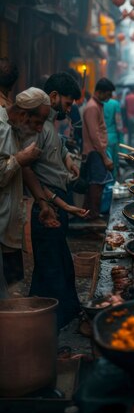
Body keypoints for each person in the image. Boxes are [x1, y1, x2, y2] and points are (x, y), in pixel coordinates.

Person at [22, 73, 84, 330]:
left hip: (56, 201)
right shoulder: (37, 123)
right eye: (68, 104)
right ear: (54, 97)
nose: (69, 110)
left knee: (56, 266)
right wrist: (54, 203)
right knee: (52, 268)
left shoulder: (49, 124)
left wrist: (67, 159)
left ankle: (51, 322)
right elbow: (28, 169)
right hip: (46, 205)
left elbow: (56, 145)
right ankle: (46, 328)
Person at [0, 88, 50, 298]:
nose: (39, 130)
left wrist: (44, 202)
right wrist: (19, 159)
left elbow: (24, 171)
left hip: (9, 226)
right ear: (22, 115)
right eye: (37, 123)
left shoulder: (15, 129)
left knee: (13, 292)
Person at [82, 78, 115, 221]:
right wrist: (105, 157)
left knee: (97, 186)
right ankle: (92, 217)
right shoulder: (92, 107)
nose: (109, 98)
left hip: (97, 151)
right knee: (96, 186)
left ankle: (91, 215)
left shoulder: (97, 105)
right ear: (100, 92)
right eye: (107, 94)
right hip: (94, 152)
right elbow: (94, 135)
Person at [104, 94, 124, 181]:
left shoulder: (101, 103)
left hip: (102, 138)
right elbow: (119, 123)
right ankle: (113, 183)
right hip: (113, 138)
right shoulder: (115, 104)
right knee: (114, 164)